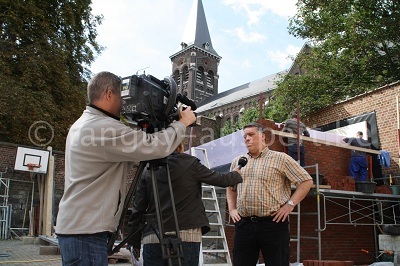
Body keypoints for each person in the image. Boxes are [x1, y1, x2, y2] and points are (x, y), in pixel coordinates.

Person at [55, 71, 196, 266]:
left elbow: (139, 145)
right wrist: (182, 123)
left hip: (80, 229)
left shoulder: (85, 123)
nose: (124, 103)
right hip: (85, 232)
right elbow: (155, 146)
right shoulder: (102, 127)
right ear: (109, 94)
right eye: (121, 96)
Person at [128, 142, 243, 266]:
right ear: (180, 146)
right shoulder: (190, 164)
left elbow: (138, 209)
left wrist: (134, 242)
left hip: (154, 236)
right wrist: (236, 173)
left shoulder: (148, 168)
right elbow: (221, 180)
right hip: (187, 235)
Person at [227, 122, 313, 266]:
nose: (247, 139)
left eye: (251, 135)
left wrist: (289, 205)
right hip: (244, 225)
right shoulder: (238, 161)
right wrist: (232, 209)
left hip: (273, 224)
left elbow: (306, 181)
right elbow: (231, 187)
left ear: (263, 137)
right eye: (245, 136)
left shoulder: (281, 158)